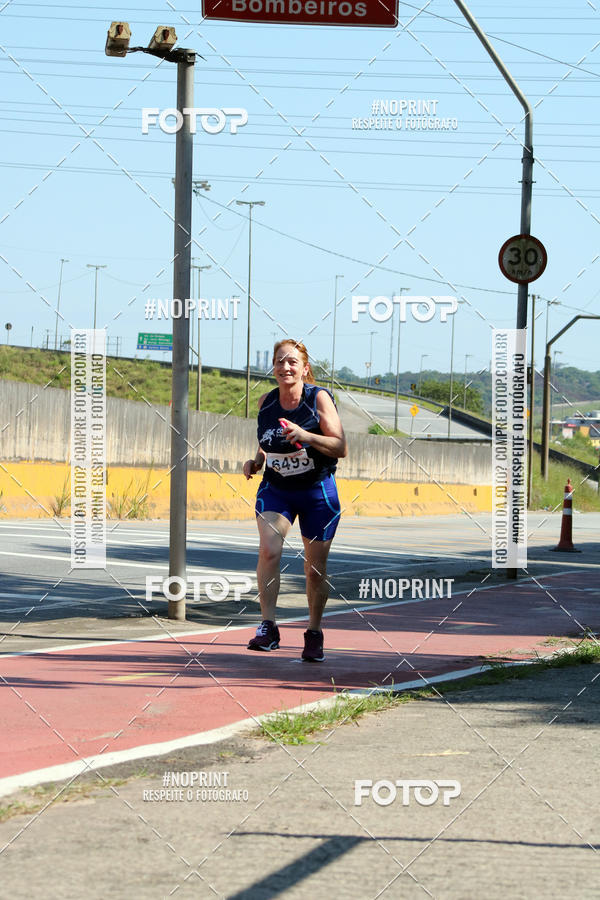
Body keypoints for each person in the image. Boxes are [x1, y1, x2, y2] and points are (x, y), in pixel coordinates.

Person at [243, 339, 347, 661]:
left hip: (317, 491)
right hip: (277, 489)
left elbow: (340, 447)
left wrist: (306, 436)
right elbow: (268, 440)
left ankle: (314, 632)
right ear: (273, 367)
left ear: (304, 368)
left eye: (292, 362)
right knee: (269, 550)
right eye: (279, 361)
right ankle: (268, 627)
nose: (285, 367)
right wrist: (256, 461)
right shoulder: (266, 402)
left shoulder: (318, 399)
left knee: (314, 569)